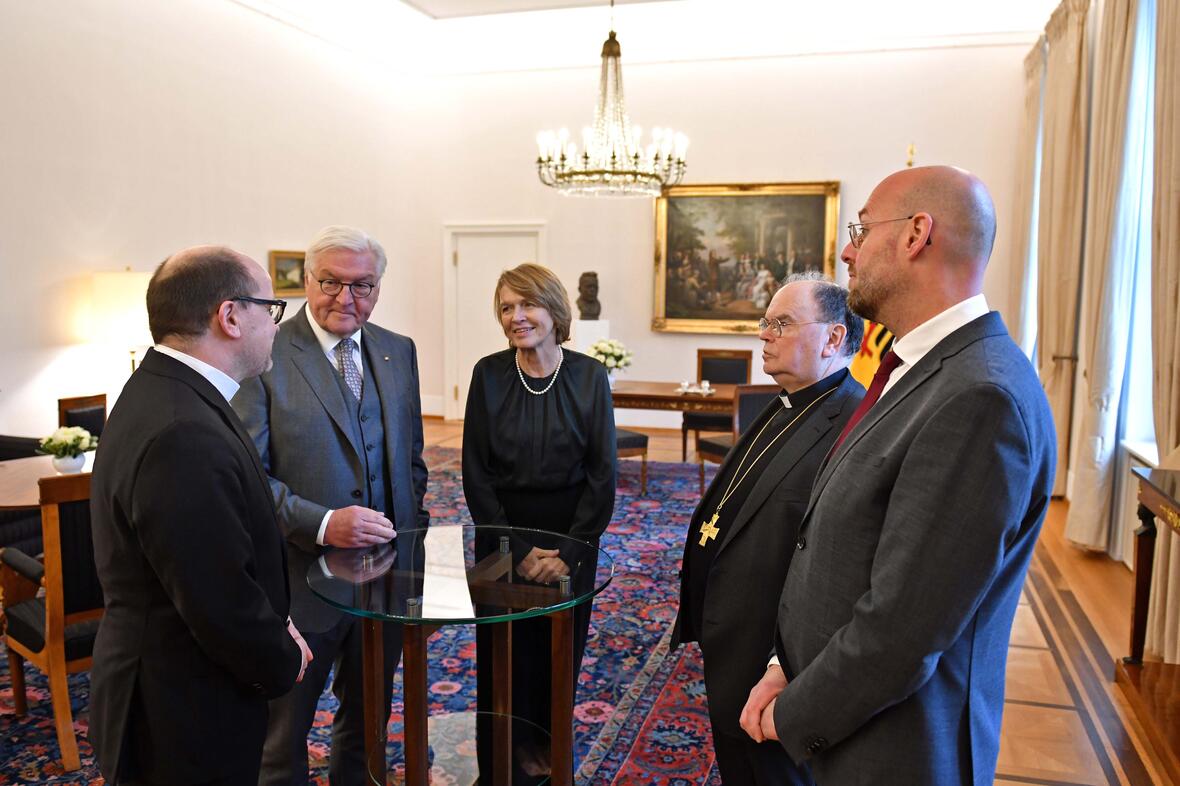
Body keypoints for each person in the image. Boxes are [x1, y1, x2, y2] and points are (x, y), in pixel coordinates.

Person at [739, 166, 1056, 785]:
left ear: (917, 234)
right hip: (860, 719)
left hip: (898, 747)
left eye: (860, 229)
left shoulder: (980, 396)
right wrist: (788, 662)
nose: (846, 250)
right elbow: (850, 548)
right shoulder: (922, 365)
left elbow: (903, 628)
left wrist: (794, 712)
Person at [90, 246, 312, 786]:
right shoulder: (183, 430)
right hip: (177, 707)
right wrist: (282, 655)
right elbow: (215, 597)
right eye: (271, 310)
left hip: (176, 684)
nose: (277, 326)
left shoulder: (168, 390)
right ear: (230, 316)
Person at [232, 226, 430, 786]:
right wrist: (320, 523)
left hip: (386, 583)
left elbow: (412, 462)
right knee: (283, 735)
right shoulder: (264, 353)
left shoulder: (398, 350)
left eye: (362, 286)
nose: (346, 299)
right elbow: (248, 481)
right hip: (299, 582)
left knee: (370, 722)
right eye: (331, 283)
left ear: (378, 288)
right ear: (307, 281)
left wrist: (412, 560)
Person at [671, 272, 864, 786]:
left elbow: (833, 563)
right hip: (733, 637)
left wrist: (787, 663)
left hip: (772, 655)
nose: (764, 334)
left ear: (833, 338)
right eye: (765, 322)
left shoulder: (852, 421)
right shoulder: (786, 401)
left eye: (781, 323)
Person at [462, 262, 616, 780]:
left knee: (556, 660)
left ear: (553, 309)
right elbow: (475, 476)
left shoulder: (590, 377)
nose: (516, 316)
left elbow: (602, 475)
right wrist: (520, 549)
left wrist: (567, 552)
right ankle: (501, 766)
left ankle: (548, 763)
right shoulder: (487, 374)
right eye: (506, 307)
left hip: (571, 540)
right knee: (504, 660)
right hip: (501, 539)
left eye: (526, 304)